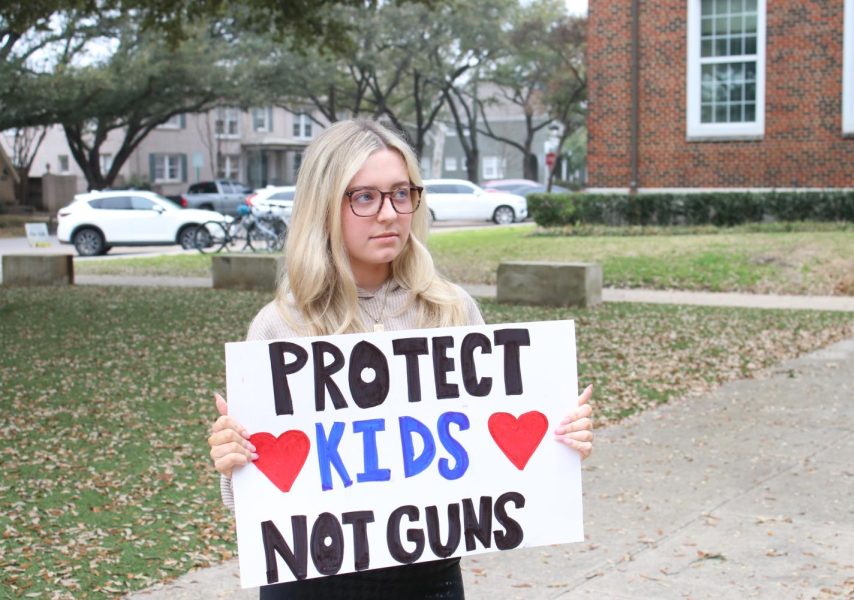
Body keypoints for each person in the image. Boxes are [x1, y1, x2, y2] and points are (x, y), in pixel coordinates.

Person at [207, 119, 594, 599]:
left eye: (401, 193)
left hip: (426, 580)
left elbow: (491, 456)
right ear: (325, 206)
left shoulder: (452, 310)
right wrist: (233, 464)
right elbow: (258, 500)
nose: (388, 213)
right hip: (311, 582)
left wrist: (558, 444)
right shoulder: (279, 325)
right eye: (364, 197)